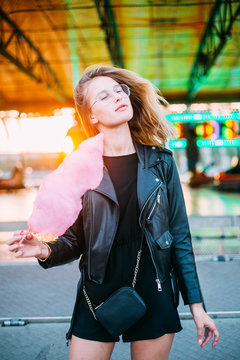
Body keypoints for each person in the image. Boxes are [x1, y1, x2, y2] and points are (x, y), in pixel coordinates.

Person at [7, 64, 219, 360]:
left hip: (154, 290)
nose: (118, 97)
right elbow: (75, 241)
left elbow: (179, 239)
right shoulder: (79, 167)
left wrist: (197, 307)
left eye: (120, 91)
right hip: (96, 293)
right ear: (91, 116)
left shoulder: (161, 163)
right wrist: (43, 248)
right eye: (104, 96)